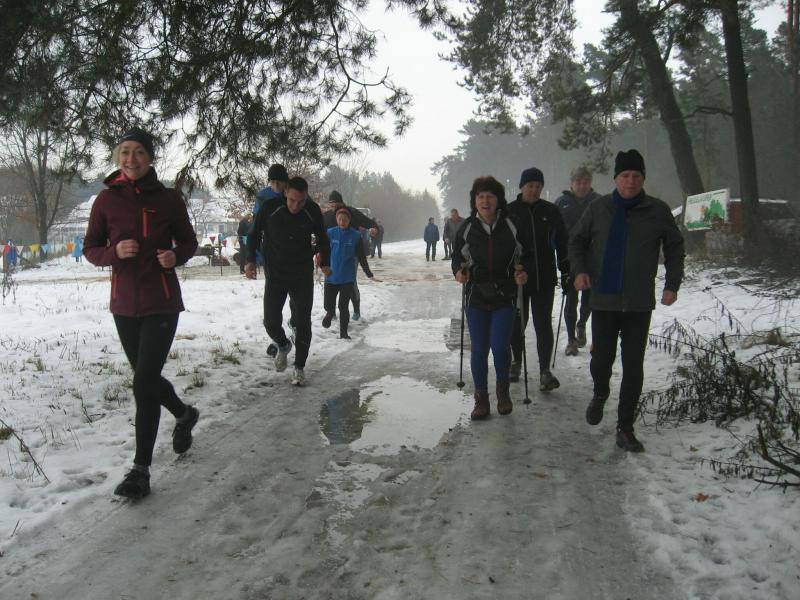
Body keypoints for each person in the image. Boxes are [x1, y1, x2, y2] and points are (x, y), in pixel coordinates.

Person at [83, 127, 200, 499]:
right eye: (125, 151)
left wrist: (175, 256)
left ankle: (140, 471)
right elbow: (90, 248)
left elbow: (189, 241)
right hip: (124, 304)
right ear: (118, 157)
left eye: (138, 152)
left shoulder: (167, 199)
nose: (130, 159)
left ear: (149, 158)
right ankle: (184, 414)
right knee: (145, 380)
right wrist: (113, 253)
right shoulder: (105, 200)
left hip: (161, 301)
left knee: (143, 382)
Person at [570, 149, 685, 452]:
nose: (630, 181)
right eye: (625, 176)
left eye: (636, 176)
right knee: (601, 360)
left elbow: (675, 247)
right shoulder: (599, 208)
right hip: (604, 300)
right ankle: (600, 393)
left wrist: (672, 284)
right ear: (616, 178)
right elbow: (576, 240)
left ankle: (625, 428)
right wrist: (579, 271)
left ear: (643, 178)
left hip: (638, 302)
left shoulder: (657, 210)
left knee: (633, 365)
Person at [452, 176, 529, 420]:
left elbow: (526, 254)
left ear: (498, 200)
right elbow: (457, 256)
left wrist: (523, 272)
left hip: (505, 295)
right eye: (480, 196)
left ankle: (503, 393)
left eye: (490, 196)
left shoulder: (511, 225)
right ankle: (481, 399)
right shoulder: (467, 228)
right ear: (474, 201)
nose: (485, 201)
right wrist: (458, 272)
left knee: (499, 346)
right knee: (479, 349)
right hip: (476, 296)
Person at [246, 176, 331, 386]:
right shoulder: (270, 207)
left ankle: (299, 367)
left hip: (301, 274)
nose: (295, 206)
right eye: (292, 200)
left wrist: (325, 262)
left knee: (303, 322)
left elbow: (322, 237)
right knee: (270, 321)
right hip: (276, 274)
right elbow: (254, 233)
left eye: (300, 201)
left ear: (306, 197)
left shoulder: (311, 210)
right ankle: (283, 345)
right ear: (285, 193)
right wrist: (250, 261)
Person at [507, 167, 569, 392]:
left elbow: (562, 243)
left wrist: (566, 271)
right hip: (518, 279)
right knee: (517, 324)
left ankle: (545, 371)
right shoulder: (509, 211)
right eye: (530, 186)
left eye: (538, 186)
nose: (534, 190)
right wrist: (509, 271)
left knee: (543, 324)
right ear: (521, 187)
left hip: (545, 277)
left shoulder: (551, 211)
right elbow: (504, 244)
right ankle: (516, 362)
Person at [555, 166, 601, 355]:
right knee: (571, 298)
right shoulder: (562, 202)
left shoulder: (598, 201)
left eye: (586, 182)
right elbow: (554, 231)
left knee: (589, 298)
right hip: (568, 258)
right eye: (578, 182)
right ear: (571, 183)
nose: (582, 186)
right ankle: (571, 341)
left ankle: (581, 324)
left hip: (593, 258)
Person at [322, 207, 374, 339]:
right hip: (331, 275)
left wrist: (368, 273)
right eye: (339, 219)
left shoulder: (355, 236)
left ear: (349, 221)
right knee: (328, 304)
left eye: (344, 220)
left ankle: (343, 333)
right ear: (336, 219)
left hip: (347, 277)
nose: (342, 222)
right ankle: (329, 313)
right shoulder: (330, 233)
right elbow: (322, 249)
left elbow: (361, 256)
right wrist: (322, 264)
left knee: (343, 306)